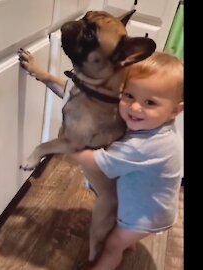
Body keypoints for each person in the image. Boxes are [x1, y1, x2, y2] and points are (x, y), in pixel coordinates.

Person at [70, 52, 184, 270]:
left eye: (150, 102)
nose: (134, 108)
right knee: (121, 237)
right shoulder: (160, 126)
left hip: (146, 215)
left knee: (113, 245)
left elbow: (99, 162)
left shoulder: (146, 146)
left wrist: (73, 148)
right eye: (129, 95)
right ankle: (128, 242)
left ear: (175, 111)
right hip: (151, 205)